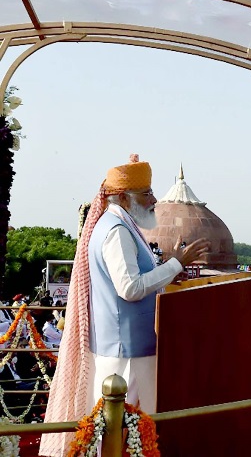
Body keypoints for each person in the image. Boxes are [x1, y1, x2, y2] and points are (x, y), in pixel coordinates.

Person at [41, 154, 210, 456]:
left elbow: (138, 279)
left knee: (130, 434)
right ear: (122, 197)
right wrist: (175, 264)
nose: (155, 199)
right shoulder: (116, 231)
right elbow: (130, 288)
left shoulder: (122, 225)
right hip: (125, 355)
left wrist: (171, 271)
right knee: (126, 435)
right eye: (146, 194)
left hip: (129, 349)